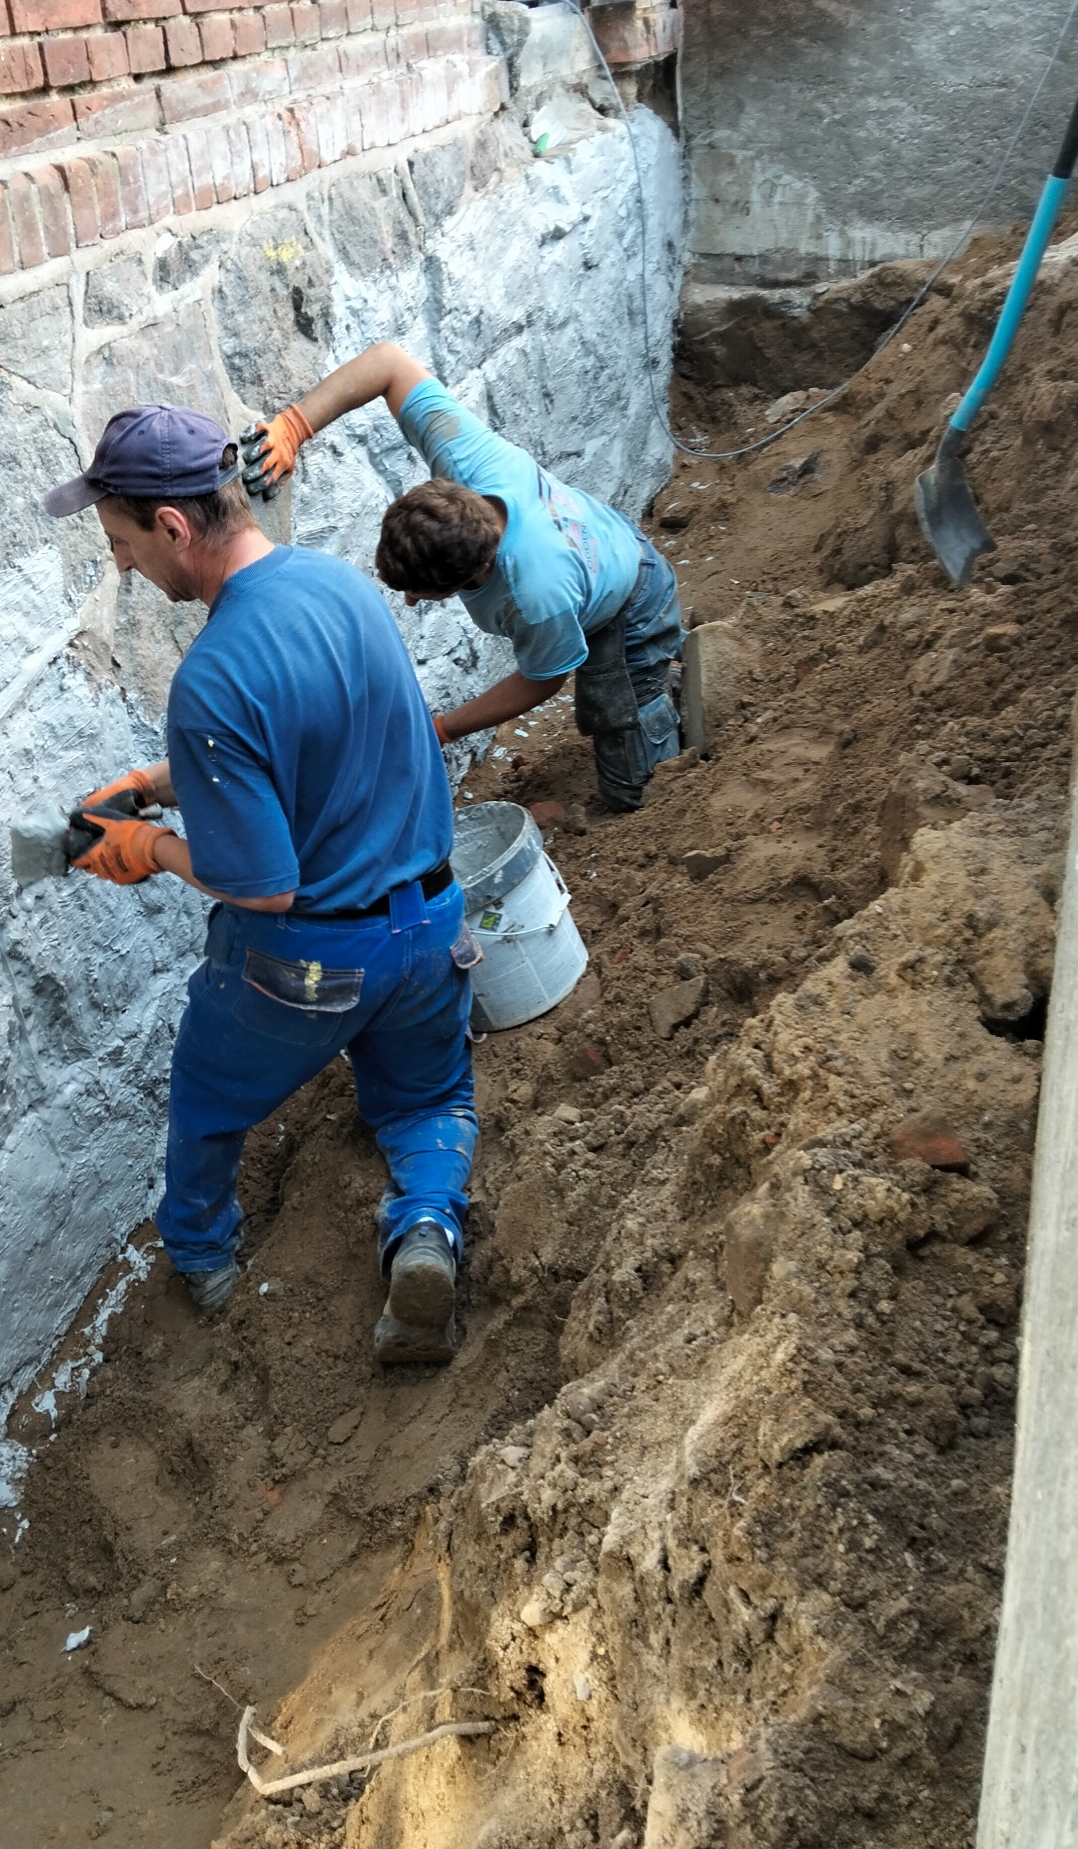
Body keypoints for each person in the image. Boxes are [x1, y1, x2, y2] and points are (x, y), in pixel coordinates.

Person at [40, 403, 479, 1366]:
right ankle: (426, 1232)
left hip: (314, 962)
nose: (120, 566)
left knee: (208, 1099)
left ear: (172, 527)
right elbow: (325, 738)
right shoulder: (337, 582)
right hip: (432, 928)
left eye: (119, 542)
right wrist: (164, 782)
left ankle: (203, 1262)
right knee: (428, 1099)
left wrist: (148, 848)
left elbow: (262, 887)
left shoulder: (209, 682)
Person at [246, 343, 685, 811]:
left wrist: (444, 728)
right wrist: (294, 426)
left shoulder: (535, 596)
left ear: (478, 570)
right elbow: (388, 365)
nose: (412, 603)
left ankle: (662, 692)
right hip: (599, 554)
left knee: (634, 789)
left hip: (631, 603)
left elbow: (544, 678)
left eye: (422, 593)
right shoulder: (462, 463)